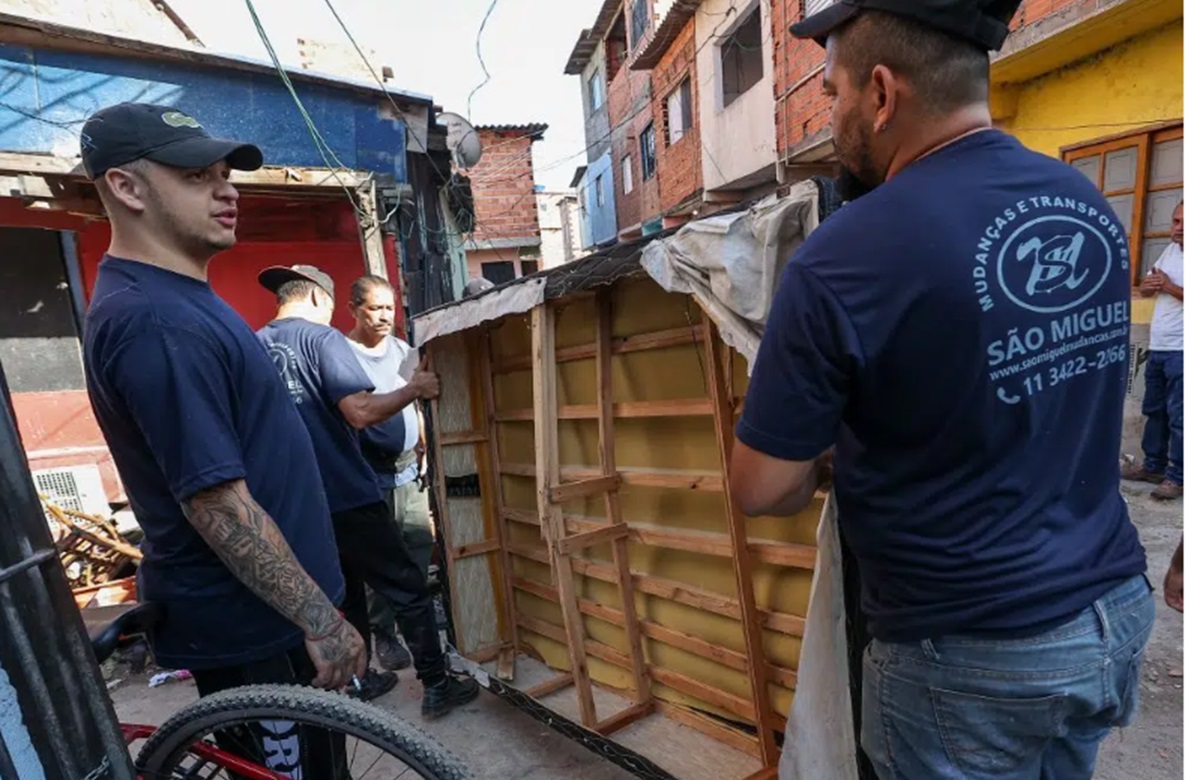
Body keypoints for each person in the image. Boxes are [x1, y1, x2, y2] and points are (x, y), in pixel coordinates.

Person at [731, 3, 1152, 778]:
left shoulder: (842, 257)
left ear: (882, 93)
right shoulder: (1086, 204)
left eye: (832, 93)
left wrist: (820, 465)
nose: (831, 114)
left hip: (968, 656)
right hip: (1110, 613)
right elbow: (1036, 389)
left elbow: (761, 486)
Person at [80, 103, 364, 774]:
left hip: (276, 618)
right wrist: (320, 621)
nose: (226, 188)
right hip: (255, 627)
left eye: (225, 173)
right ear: (127, 187)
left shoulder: (180, 298)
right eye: (195, 174)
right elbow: (215, 504)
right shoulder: (156, 321)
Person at [255, 264, 479, 717]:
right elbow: (358, 411)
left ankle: (357, 682)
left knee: (343, 592)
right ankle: (437, 684)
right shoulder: (322, 339)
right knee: (407, 587)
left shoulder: (254, 343)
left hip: (295, 504)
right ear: (322, 299)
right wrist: (413, 389)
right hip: (346, 492)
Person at [344, 275, 435, 672]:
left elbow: (418, 400)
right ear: (353, 310)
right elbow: (359, 413)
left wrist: (425, 443)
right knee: (381, 564)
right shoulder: (342, 354)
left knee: (416, 551)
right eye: (374, 308)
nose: (384, 316)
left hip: (409, 472)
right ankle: (384, 632)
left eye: (388, 308)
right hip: (369, 475)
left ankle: (419, 635)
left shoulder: (401, 350)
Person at [1123, 201, 1184, 500]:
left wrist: (1170, 287)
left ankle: (1179, 477)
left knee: (1182, 416)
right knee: (1154, 410)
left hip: (1185, 348)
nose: (1179, 227)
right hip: (1159, 344)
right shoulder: (1171, 251)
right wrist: (1148, 286)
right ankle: (1153, 466)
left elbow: (1170, 287)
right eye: (1175, 221)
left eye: (1186, 222)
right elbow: (1149, 287)